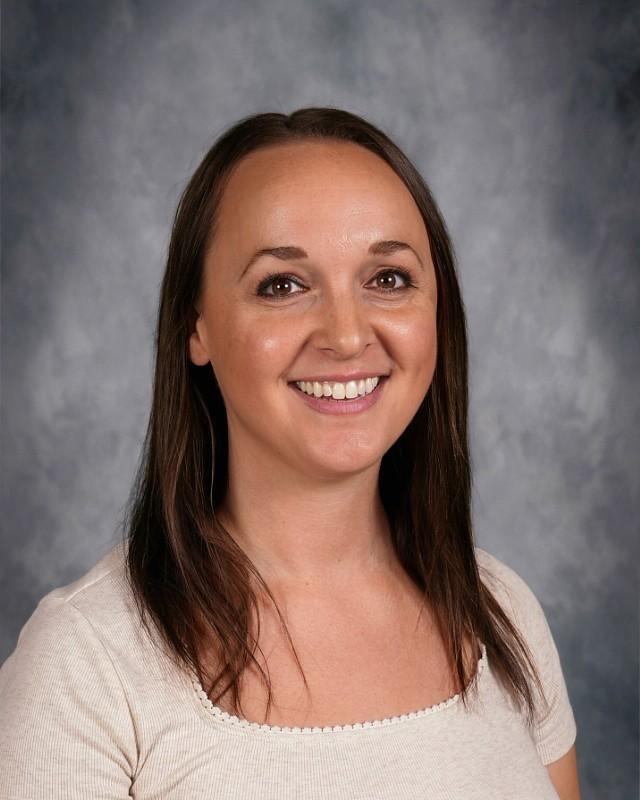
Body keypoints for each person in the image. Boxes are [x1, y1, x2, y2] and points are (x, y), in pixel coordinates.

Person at [0, 107, 580, 799]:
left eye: (388, 279)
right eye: (283, 285)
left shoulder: (503, 612)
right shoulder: (84, 665)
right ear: (198, 327)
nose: (345, 333)